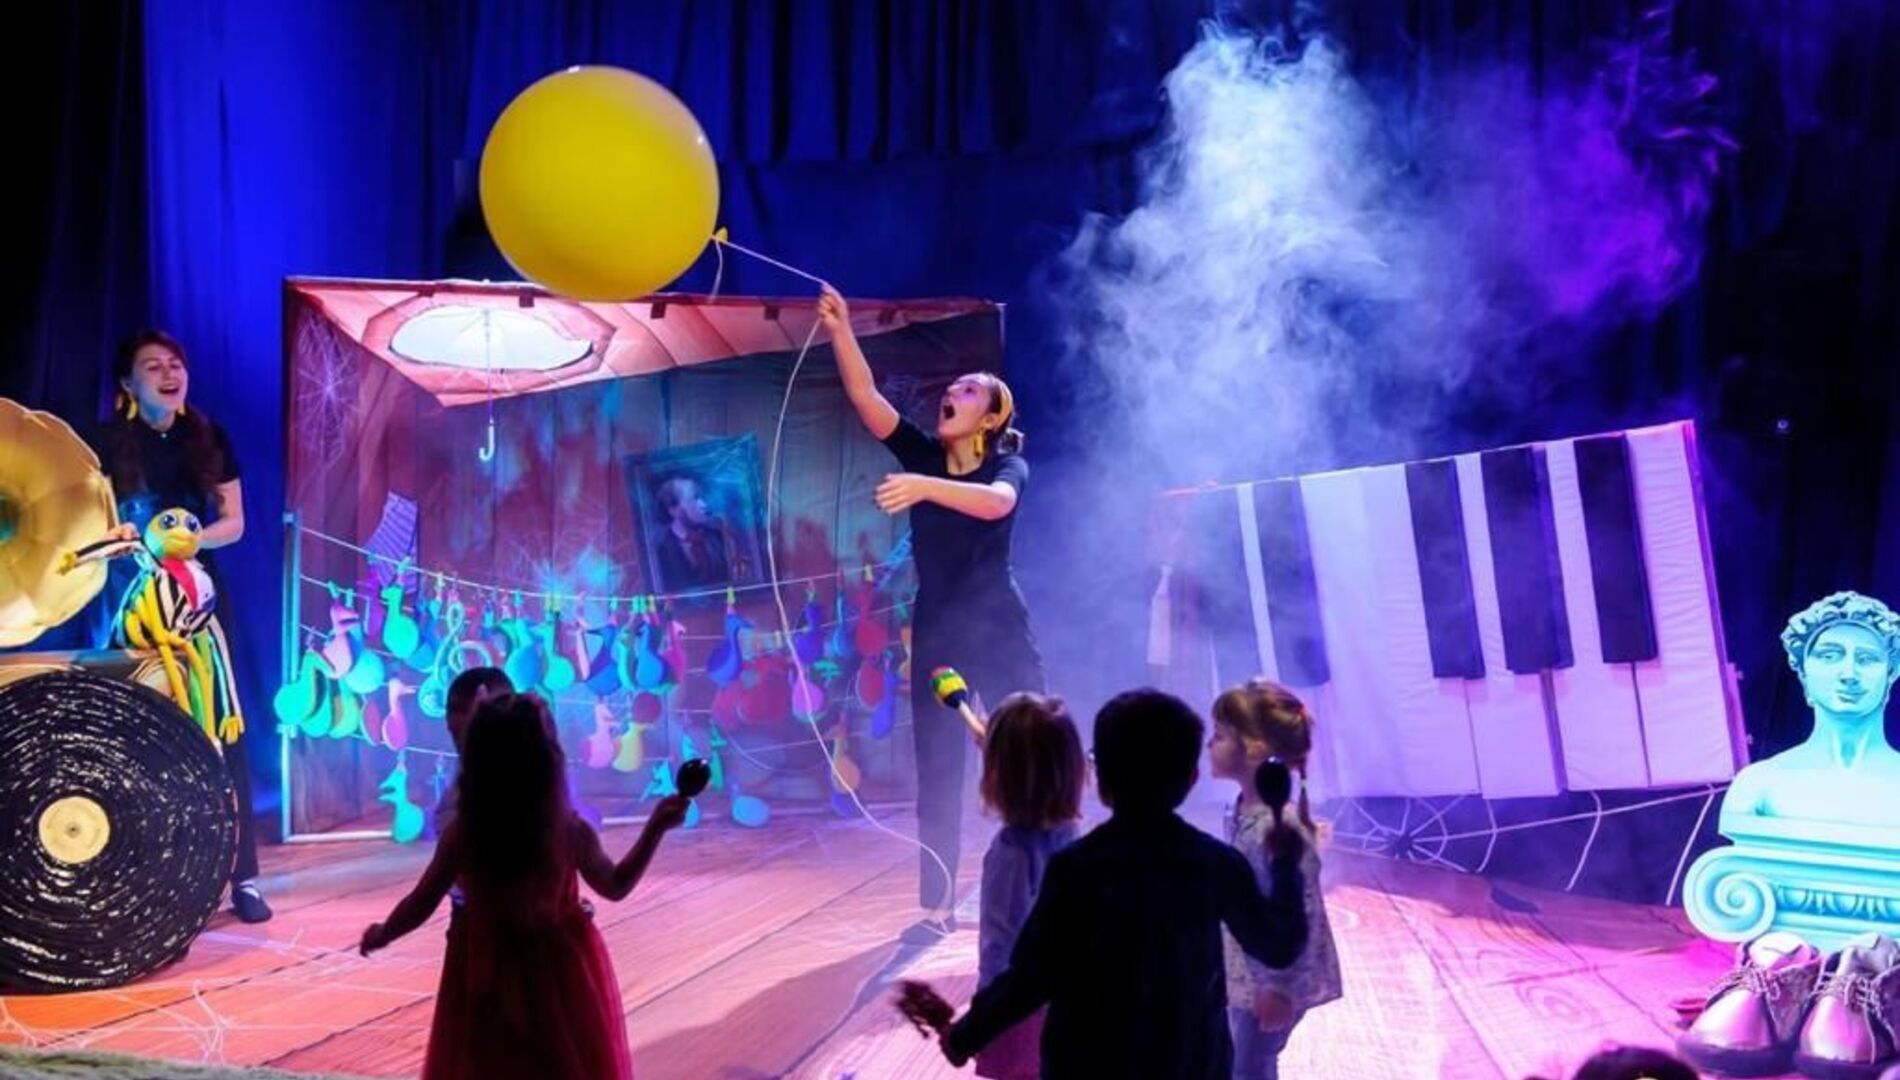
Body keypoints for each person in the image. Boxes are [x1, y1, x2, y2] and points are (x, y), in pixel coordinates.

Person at [897, 689, 1310, 1080]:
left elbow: (1031, 978)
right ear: (1191, 778)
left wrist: (963, 1037)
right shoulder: (1216, 864)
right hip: (1189, 1063)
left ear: (1102, 777)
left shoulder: (1075, 868)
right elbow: (1279, 944)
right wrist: (1285, 866)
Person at [819, 284, 1045, 942]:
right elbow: (867, 398)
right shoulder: (922, 454)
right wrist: (841, 330)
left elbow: (997, 503)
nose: (954, 391)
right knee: (940, 769)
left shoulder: (1007, 464)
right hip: (940, 627)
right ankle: (938, 908)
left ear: (992, 417)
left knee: (1029, 756)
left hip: (999, 625)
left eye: (971, 390)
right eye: (953, 387)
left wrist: (923, 486)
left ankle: (1044, 893)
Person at [359, 692, 691, 1080]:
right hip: (558, 971)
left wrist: (385, 932)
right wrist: (655, 829)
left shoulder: (464, 835)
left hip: (483, 970)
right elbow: (615, 885)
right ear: (548, 763)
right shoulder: (568, 831)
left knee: (489, 1064)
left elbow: (422, 900)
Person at [93, 329, 270, 923]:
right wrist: (128, 539)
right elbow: (97, 520)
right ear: (127, 383)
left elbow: (234, 523)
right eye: (153, 366)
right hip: (136, 604)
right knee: (147, 729)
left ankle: (244, 876)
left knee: (222, 723)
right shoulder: (106, 442)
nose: (169, 374)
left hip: (199, 599)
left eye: (175, 364)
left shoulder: (208, 437)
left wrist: (190, 541)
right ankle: (153, 876)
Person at [1209, 679, 1343, 1080]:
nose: (1209, 745)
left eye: (1219, 736)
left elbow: (1300, 914)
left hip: (1271, 984)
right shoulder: (1246, 814)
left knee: (1249, 1069)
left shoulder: (1277, 827)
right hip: (1251, 977)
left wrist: (1280, 985)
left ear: (1254, 749)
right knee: (1247, 1066)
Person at [972, 694, 1087, 1080]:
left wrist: (985, 1014)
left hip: (1018, 1013)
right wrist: (1003, 751)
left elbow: (1000, 945)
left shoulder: (1011, 854)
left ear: (997, 777)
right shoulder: (1069, 830)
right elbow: (1038, 766)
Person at [652, 475, 732, 589]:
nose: (704, 505)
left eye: (701, 498)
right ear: (673, 510)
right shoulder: (661, 549)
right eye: (693, 499)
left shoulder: (716, 535)